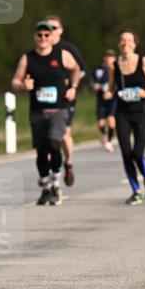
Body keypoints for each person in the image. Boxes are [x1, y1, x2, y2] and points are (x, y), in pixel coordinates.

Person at [11, 20, 81, 206]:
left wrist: (73, 87)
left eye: (46, 35)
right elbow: (15, 81)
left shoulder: (62, 54)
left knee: (54, 144)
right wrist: (23, 86)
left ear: (52, 37)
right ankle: (45, 187)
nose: (43, 38)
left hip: (59, 109)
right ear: (34, 37)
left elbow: (76, 69)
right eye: (39, 35)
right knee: (41, 151)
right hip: (38, 111)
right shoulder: (28, 58)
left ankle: (56, 184)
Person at [104, 30, 145, 205]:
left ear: (134, 44)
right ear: (119, 44)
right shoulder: (114, 65)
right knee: (126, 153)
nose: (126, 43)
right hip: (123, 113)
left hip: (141, 112)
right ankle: (136, 191)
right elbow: (111, 88)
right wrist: (107, 94)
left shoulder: (143, 61)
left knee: (137, 153)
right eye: (123, 40)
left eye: (129, 41)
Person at [45, 16, 85, 186]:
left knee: (64, 135)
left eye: (54, 27)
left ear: (61, 30)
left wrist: (72, 86)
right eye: (47, 27)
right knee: (48, 138)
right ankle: (50, 172)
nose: (50, 31)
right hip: (45, 100)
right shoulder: (41, 49)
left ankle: (68, 164)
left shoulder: (68, 49)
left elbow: (81, 70)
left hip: (65, 99)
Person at [92, 50, 117, 152]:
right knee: (100, 123)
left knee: (111, 119)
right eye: (107, 56)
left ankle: (109, 141)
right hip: (101, 99)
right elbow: (93, 81)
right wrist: (95, 86)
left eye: (111, 57)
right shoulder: (99, 69)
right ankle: (104, 134)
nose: (109, 59)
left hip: (113, 99)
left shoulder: (117, 69)